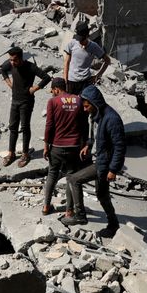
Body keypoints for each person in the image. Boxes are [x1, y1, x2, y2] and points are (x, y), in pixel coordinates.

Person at [62, 85, 124, 238]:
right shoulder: (97, 115)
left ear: (94, 102)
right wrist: (88, 146)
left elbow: (120, 147)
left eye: (86, 106)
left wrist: (113, 170)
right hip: (100, 160)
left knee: (73, 179)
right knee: (102, 195)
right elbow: (96, 136)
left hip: (104, 164)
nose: (84, 109)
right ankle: (113, 225)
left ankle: (80, 216)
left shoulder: (112, 119)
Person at [42, 77, 88, 216]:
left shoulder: (52, 102)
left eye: (52, 91)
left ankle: (45, 206)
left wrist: (46, 145)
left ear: (56, 89)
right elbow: (85, 124)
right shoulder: (78, 100)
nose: (52, 93)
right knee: (71, 177)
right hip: (74, 146)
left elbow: (49, 125)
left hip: (56, 145)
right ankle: (69, 210)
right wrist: (85, 143)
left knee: (52, 174)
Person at [0, 46, 51, 168]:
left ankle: (25, 154)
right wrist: (9, 83)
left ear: (21, 58)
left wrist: (34, 88)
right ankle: (11, 153)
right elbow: (3, 69)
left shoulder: (30, 67)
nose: (12, 62)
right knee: (13, 126)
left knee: (24, 127)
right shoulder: (11, 64)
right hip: (15, 101)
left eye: (14, 60)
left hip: (26, 102)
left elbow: (46, 77)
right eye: (11, 60)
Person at [63, 21, 111, 95]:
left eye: (81, 39)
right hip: (71, 81)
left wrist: (97, 76)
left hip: (85, 82)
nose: (79, 41)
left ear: (87, 36)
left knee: (85, 105)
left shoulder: (94, 47)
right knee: (71, 104)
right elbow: (66, 62)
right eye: (78, 38)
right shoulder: (72, 43)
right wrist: (65, 80)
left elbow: (107, 60)